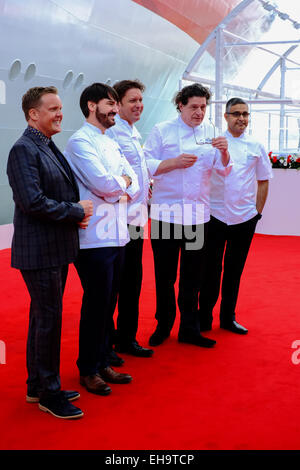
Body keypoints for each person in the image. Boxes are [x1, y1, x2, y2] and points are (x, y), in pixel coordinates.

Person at [6, 86, 93, 419]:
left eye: (60, 108)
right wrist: (75, 211)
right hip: (41, 251)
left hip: (54, 248)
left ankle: (36, 386)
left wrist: (72, 214)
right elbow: (32, 202)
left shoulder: (45, 145)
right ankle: (49, 394)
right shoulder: (24, 150)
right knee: (48, 322)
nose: (60, 114)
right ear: (33, 114)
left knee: (43, 319)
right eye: (53, 109)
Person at [64, 83, 139, 396]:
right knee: (96, 304)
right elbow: (104, 183)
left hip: (118, 235)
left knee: (108, 303)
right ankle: (88, 369)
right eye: (110, 104)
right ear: (91, 105)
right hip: (93, 238)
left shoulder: (110, 141)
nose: (116, 110)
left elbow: (132, 181)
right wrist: (119, 185)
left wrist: (120, 185)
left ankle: (102, 359)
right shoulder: (80, 141)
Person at [143, 83, 231, 348]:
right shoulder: (162, 131)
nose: (199, 112)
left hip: (198, 216)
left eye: (203, 107)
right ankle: (163, 324)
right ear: (180, 105)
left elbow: (224, 171)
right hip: (166, 215)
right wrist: (173, 163)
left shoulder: (212, 132)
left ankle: (189, 328)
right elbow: (145, 164)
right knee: (165, 275)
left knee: (193, 275)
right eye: (194, 107)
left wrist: (225, 151)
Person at [199, 97, 273, 334]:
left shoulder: (256, 145)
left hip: (244, 218)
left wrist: (257, 213)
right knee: (211, 270)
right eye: (236, 114)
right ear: (226, 116)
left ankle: (228, 318)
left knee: (234, 270)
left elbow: (263, 180)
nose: (242, 118)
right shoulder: (215, 143)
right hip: (215, 216)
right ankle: (203, 318)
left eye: (245, 114)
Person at [106, 79, 153, 359]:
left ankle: (126, 338)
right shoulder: (113, 135)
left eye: (140, 100)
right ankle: (110, 341)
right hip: (120, 220)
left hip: (136, 219)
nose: (138, 105)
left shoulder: (133, 133)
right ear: (118, 104)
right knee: (116, 283)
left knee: (132, 280)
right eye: (132, 101)